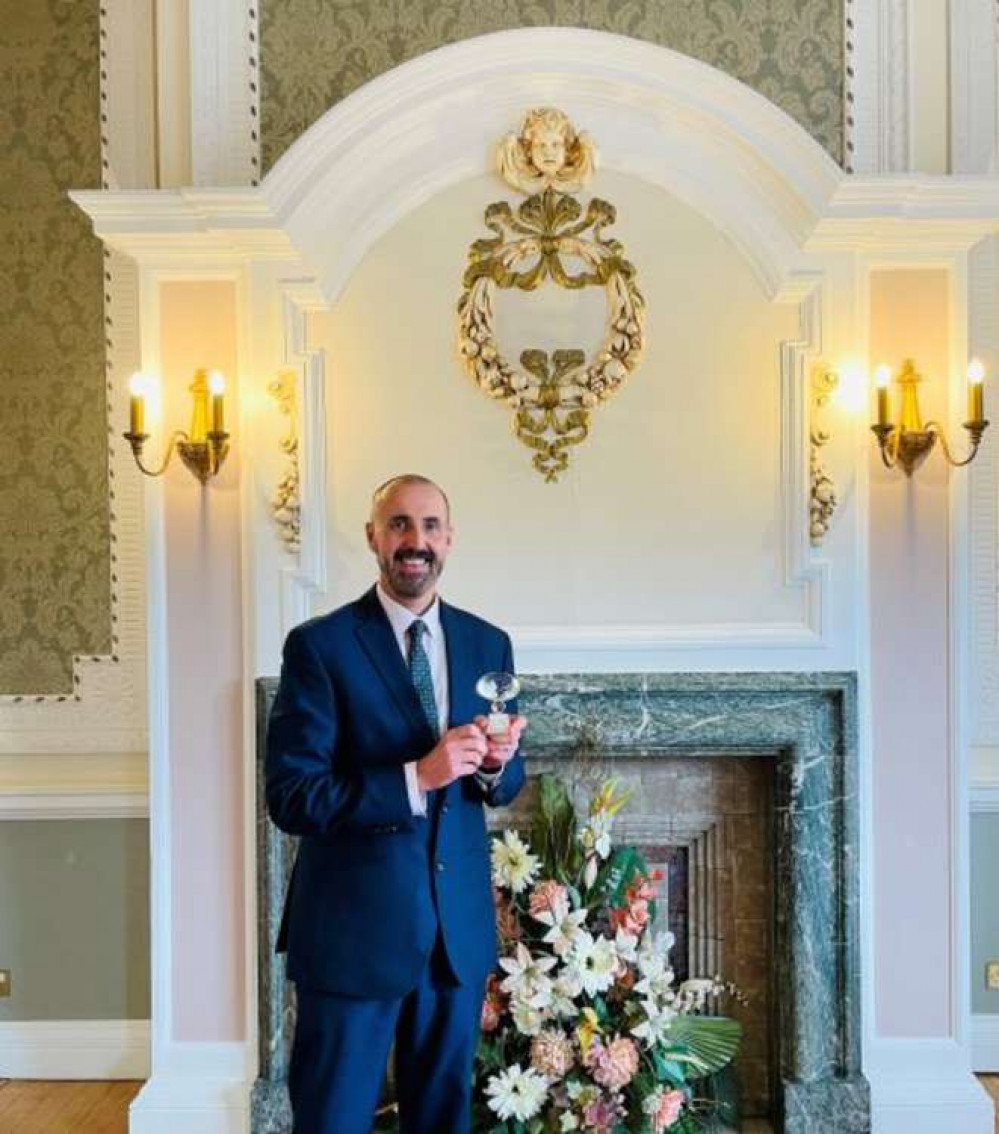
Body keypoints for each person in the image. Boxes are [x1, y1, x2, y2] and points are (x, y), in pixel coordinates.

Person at [266, 474, 527, 1134]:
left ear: (450, 539)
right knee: (332, 1122)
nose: (416, 541)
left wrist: (497, 768)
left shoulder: (486, 643)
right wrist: (417, 775)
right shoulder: (318, 647)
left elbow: (504, 779)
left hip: (454, 941)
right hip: (352, 937)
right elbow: (293, 797)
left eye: (430, 526)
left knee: (442, 1122)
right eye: (400, 525)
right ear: (373, 537)